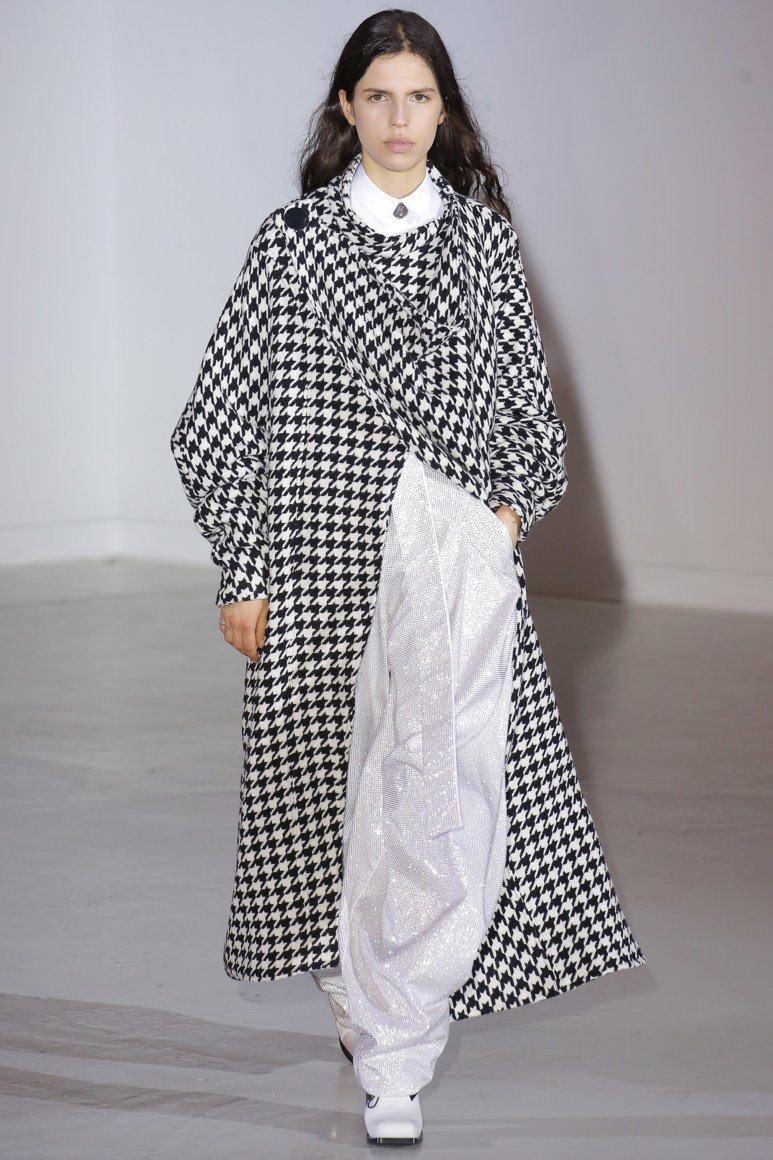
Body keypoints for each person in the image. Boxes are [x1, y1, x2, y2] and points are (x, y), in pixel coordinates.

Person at [170, 9, 646, 1147]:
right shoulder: (292, 244)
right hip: (321, 562)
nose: (397, 118)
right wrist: (244, 567)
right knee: (329, 796)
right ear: (345, 107)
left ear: (444, 111)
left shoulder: (479, 242)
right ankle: (362, 980)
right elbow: (214, 421)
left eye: (417, 96)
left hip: (454, 563)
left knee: (435, 794)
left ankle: (396, 1042)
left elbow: (529, 405)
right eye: (377, 95)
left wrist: (503, 513)